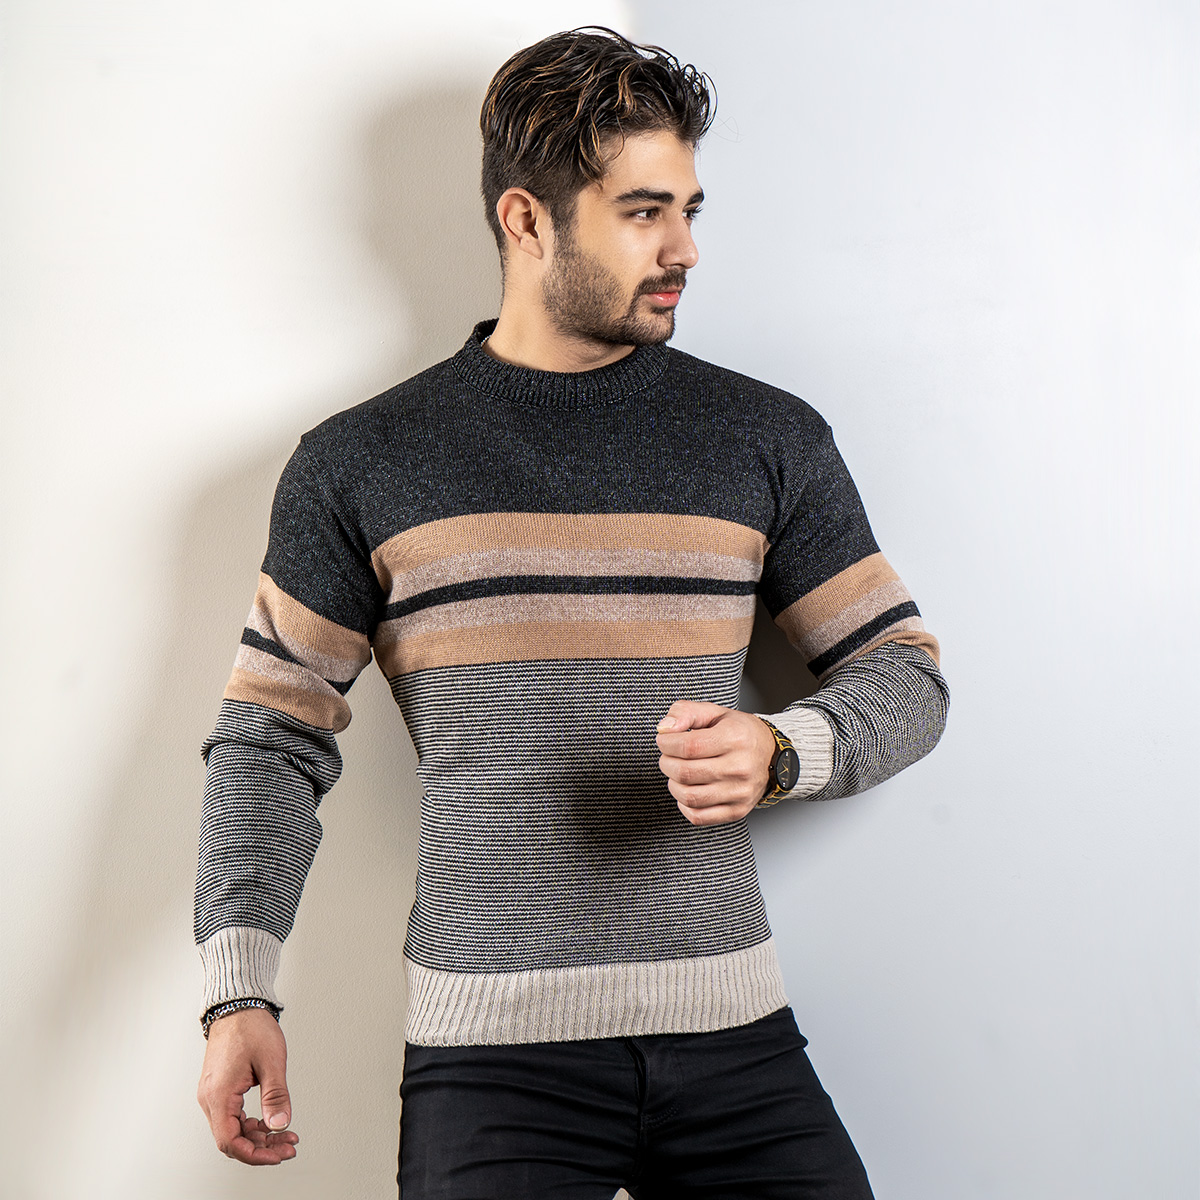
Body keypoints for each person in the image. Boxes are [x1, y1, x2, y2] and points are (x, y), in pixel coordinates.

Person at [195, 27, 949, 1199]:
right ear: (526, 220)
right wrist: (238, 991)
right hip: (491, 1062)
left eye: (689, 210)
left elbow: (906, 673)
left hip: (735, 1039)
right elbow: (271, 739)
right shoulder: (361, 463)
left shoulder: (765, 438)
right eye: (643, 212)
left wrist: (782, 748)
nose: (684, 248)